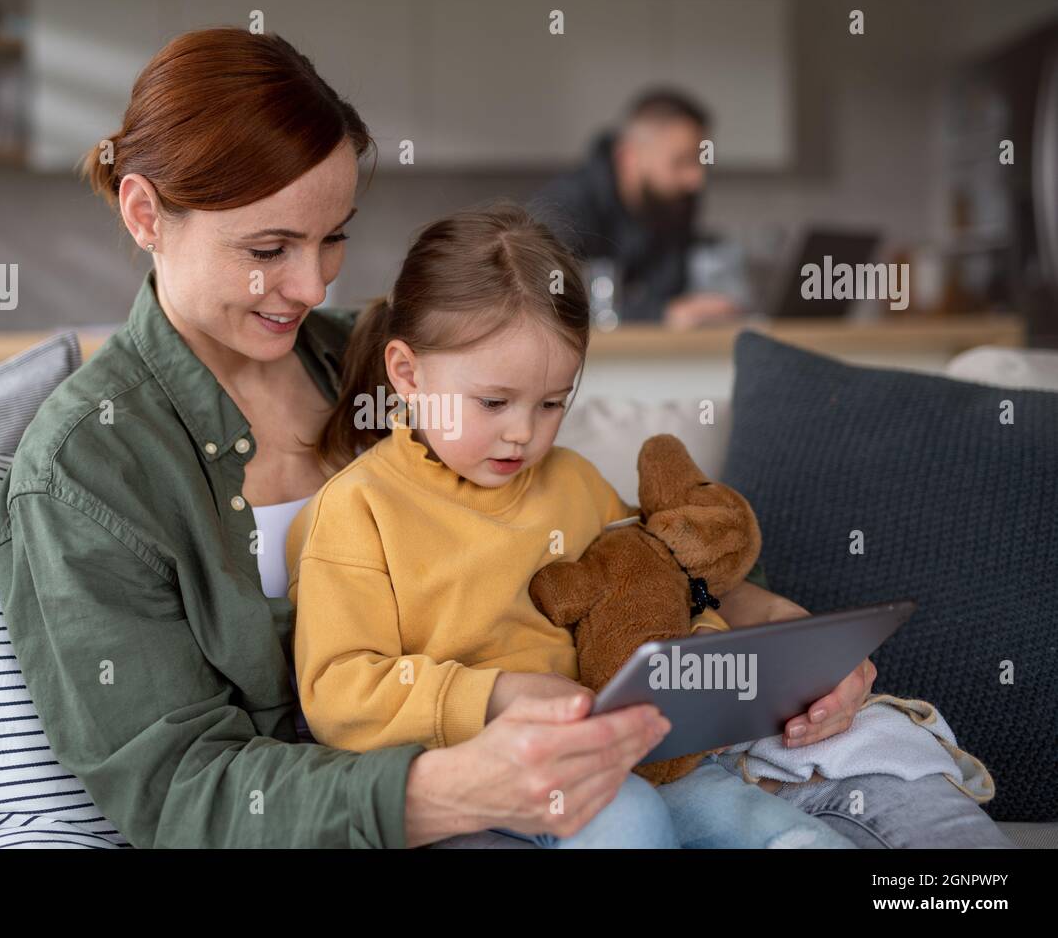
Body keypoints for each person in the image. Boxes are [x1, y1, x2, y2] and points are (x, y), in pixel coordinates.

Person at [0, 26, 875, 849]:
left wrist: (785, 650)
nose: (307, 285)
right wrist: (450, 786)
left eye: (332, 236)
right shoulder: (88, 469)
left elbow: (629, 565)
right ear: (146, 215)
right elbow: (175, 791)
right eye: (269, 247)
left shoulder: (394, 366)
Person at [285, 202, 854, 848]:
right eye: (494, 402)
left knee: (777, 831)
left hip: (626, 756)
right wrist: (497, 695)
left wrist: (709, 664)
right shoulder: (359, 509)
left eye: (553, 403)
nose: (523, 432)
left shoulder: (575, 482)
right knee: (631, 819)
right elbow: (337, 693)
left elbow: (655, 589)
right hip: (489, 778)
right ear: (408, 374)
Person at [531, 89, 749, 329]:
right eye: (682, 161)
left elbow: (672, 288)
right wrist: (659, 314)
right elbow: (544, 299)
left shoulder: (676, 201)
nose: (696, 179)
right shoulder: (562, 208)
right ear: (629, 157)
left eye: (700, 160)